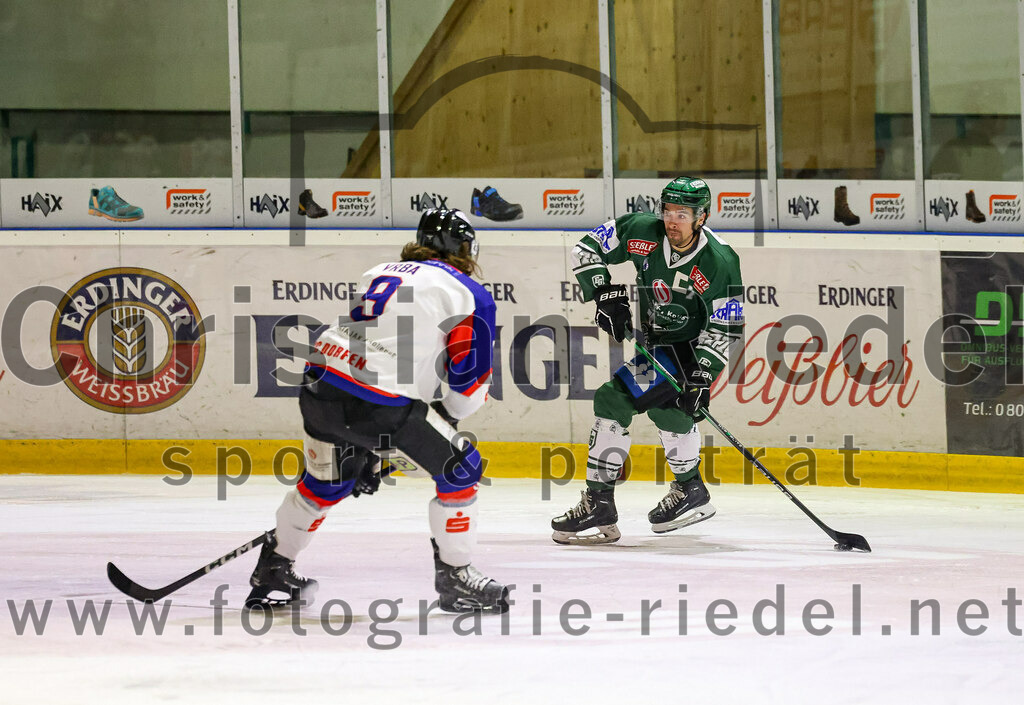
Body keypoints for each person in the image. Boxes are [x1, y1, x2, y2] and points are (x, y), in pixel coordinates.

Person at [247, 209, 509, 614]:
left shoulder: (380, 271)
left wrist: (367, 449)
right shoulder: (470, 294)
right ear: (464, 248)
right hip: (375, 403)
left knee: (326, 484)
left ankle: (274, 568)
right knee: (461, 467)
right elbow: (466, 383)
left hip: (318, 388)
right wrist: (442, 422)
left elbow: (373, 352)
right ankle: (456, 577)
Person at [551, 177, 744, 544]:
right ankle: (691, 491)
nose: (672, 220)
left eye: (682, 214)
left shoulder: (720, 260)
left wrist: (702, 376)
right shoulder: (643, 231)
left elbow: (727, 324)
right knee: (667, 411)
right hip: (657, 344)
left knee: (613, 398)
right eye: (668, 211)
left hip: (690, 350)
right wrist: (605, 294)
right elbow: (586, 248)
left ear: (701, 217)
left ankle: (598, 501)